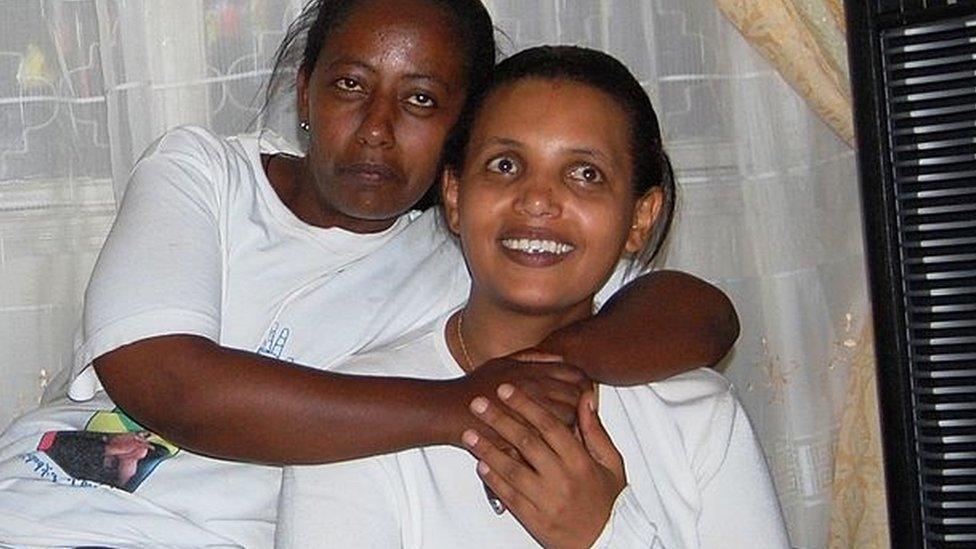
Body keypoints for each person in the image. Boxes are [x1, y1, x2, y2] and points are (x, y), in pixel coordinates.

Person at [0, 1, 736, 547]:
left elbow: (699, 310)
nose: (378, 127)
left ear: (462, 136)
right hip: (28, 508)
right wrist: (462, 405)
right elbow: (169, 384)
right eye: (352, 85)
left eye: (422, 99)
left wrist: (560, 361)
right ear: (305, 93)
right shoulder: (204, 175)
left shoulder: (466, 255)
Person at [277, 45, 789, 548]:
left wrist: (605, 534)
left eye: (585, 174)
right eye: (505, 165)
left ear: (640, 217)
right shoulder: (358, 420)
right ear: (454, 196)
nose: (538, 199)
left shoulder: (696, 415)